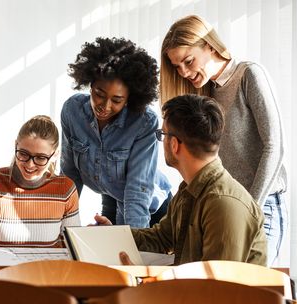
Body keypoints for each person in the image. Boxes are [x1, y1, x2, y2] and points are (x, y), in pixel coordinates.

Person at [159, 15, 287, 265]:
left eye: (188, 61)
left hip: (262, 205)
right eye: (177, 67)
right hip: (225, 208)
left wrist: (251, 208)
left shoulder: (248, 75)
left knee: (246, 293)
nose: (184, 72)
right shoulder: (206, 92)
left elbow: (275, 146)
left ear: (209, 45)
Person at [95, 94, 267, 266]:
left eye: (162, 134)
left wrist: (144, 281)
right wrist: (113, 236)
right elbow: (161, 239)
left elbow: (217, 288)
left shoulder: (224, 204)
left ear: (174, 144)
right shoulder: (189, 189)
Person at [61, 37, 172, 229]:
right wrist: (63, 227)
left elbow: (137, 191)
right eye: (99, 94)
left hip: (151, 210)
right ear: (90, 83)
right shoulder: (73, 111)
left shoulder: (144, 122)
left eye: (117, 100)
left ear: (130, 98)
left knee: (129, 254)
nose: (105, 106)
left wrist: (135, 243)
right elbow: (70, 176)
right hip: (112, 197)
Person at [0, 115, 80, 247]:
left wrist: (96, 234)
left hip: (48, 268)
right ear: (15, 145)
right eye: (23, 153)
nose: (29, 165)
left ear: (55, 155)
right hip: (0, 267)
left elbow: (73, 248)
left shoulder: (66, 189)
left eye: (40, 158)